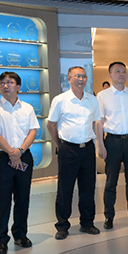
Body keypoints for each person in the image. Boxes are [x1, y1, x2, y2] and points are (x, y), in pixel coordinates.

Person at [47, 66, 102, 239]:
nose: (81, 79)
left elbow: (95, 122)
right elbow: (51, 124)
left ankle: (87, 223)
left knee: (88, 187)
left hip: (87, 149)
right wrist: (60, 144)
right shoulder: (60, 100)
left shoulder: (92, 100)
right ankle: (62, 226)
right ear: (69, 79)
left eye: (83, 76)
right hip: (68, 149)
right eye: (77, 76)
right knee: (65, 189)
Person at [0, 72, 39, 254]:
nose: (5, 86)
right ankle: (1, 239)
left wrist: (20, 152)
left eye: (9, 82)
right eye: (2, 83)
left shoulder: (27, 108)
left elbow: (33, 131)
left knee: (23, 197)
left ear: (18, 86)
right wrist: (12, 153)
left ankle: (20, 234)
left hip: (24, 156)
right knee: (1, 199)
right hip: (2, 159)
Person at [96, 62, 128, 229]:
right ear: (110, 75)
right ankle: (109, 216)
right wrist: (100, 145)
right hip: (112, 142)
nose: (121, 74)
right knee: (111, 181)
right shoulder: (102, 96)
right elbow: (99, 122)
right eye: (118, 71)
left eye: (124, 71)